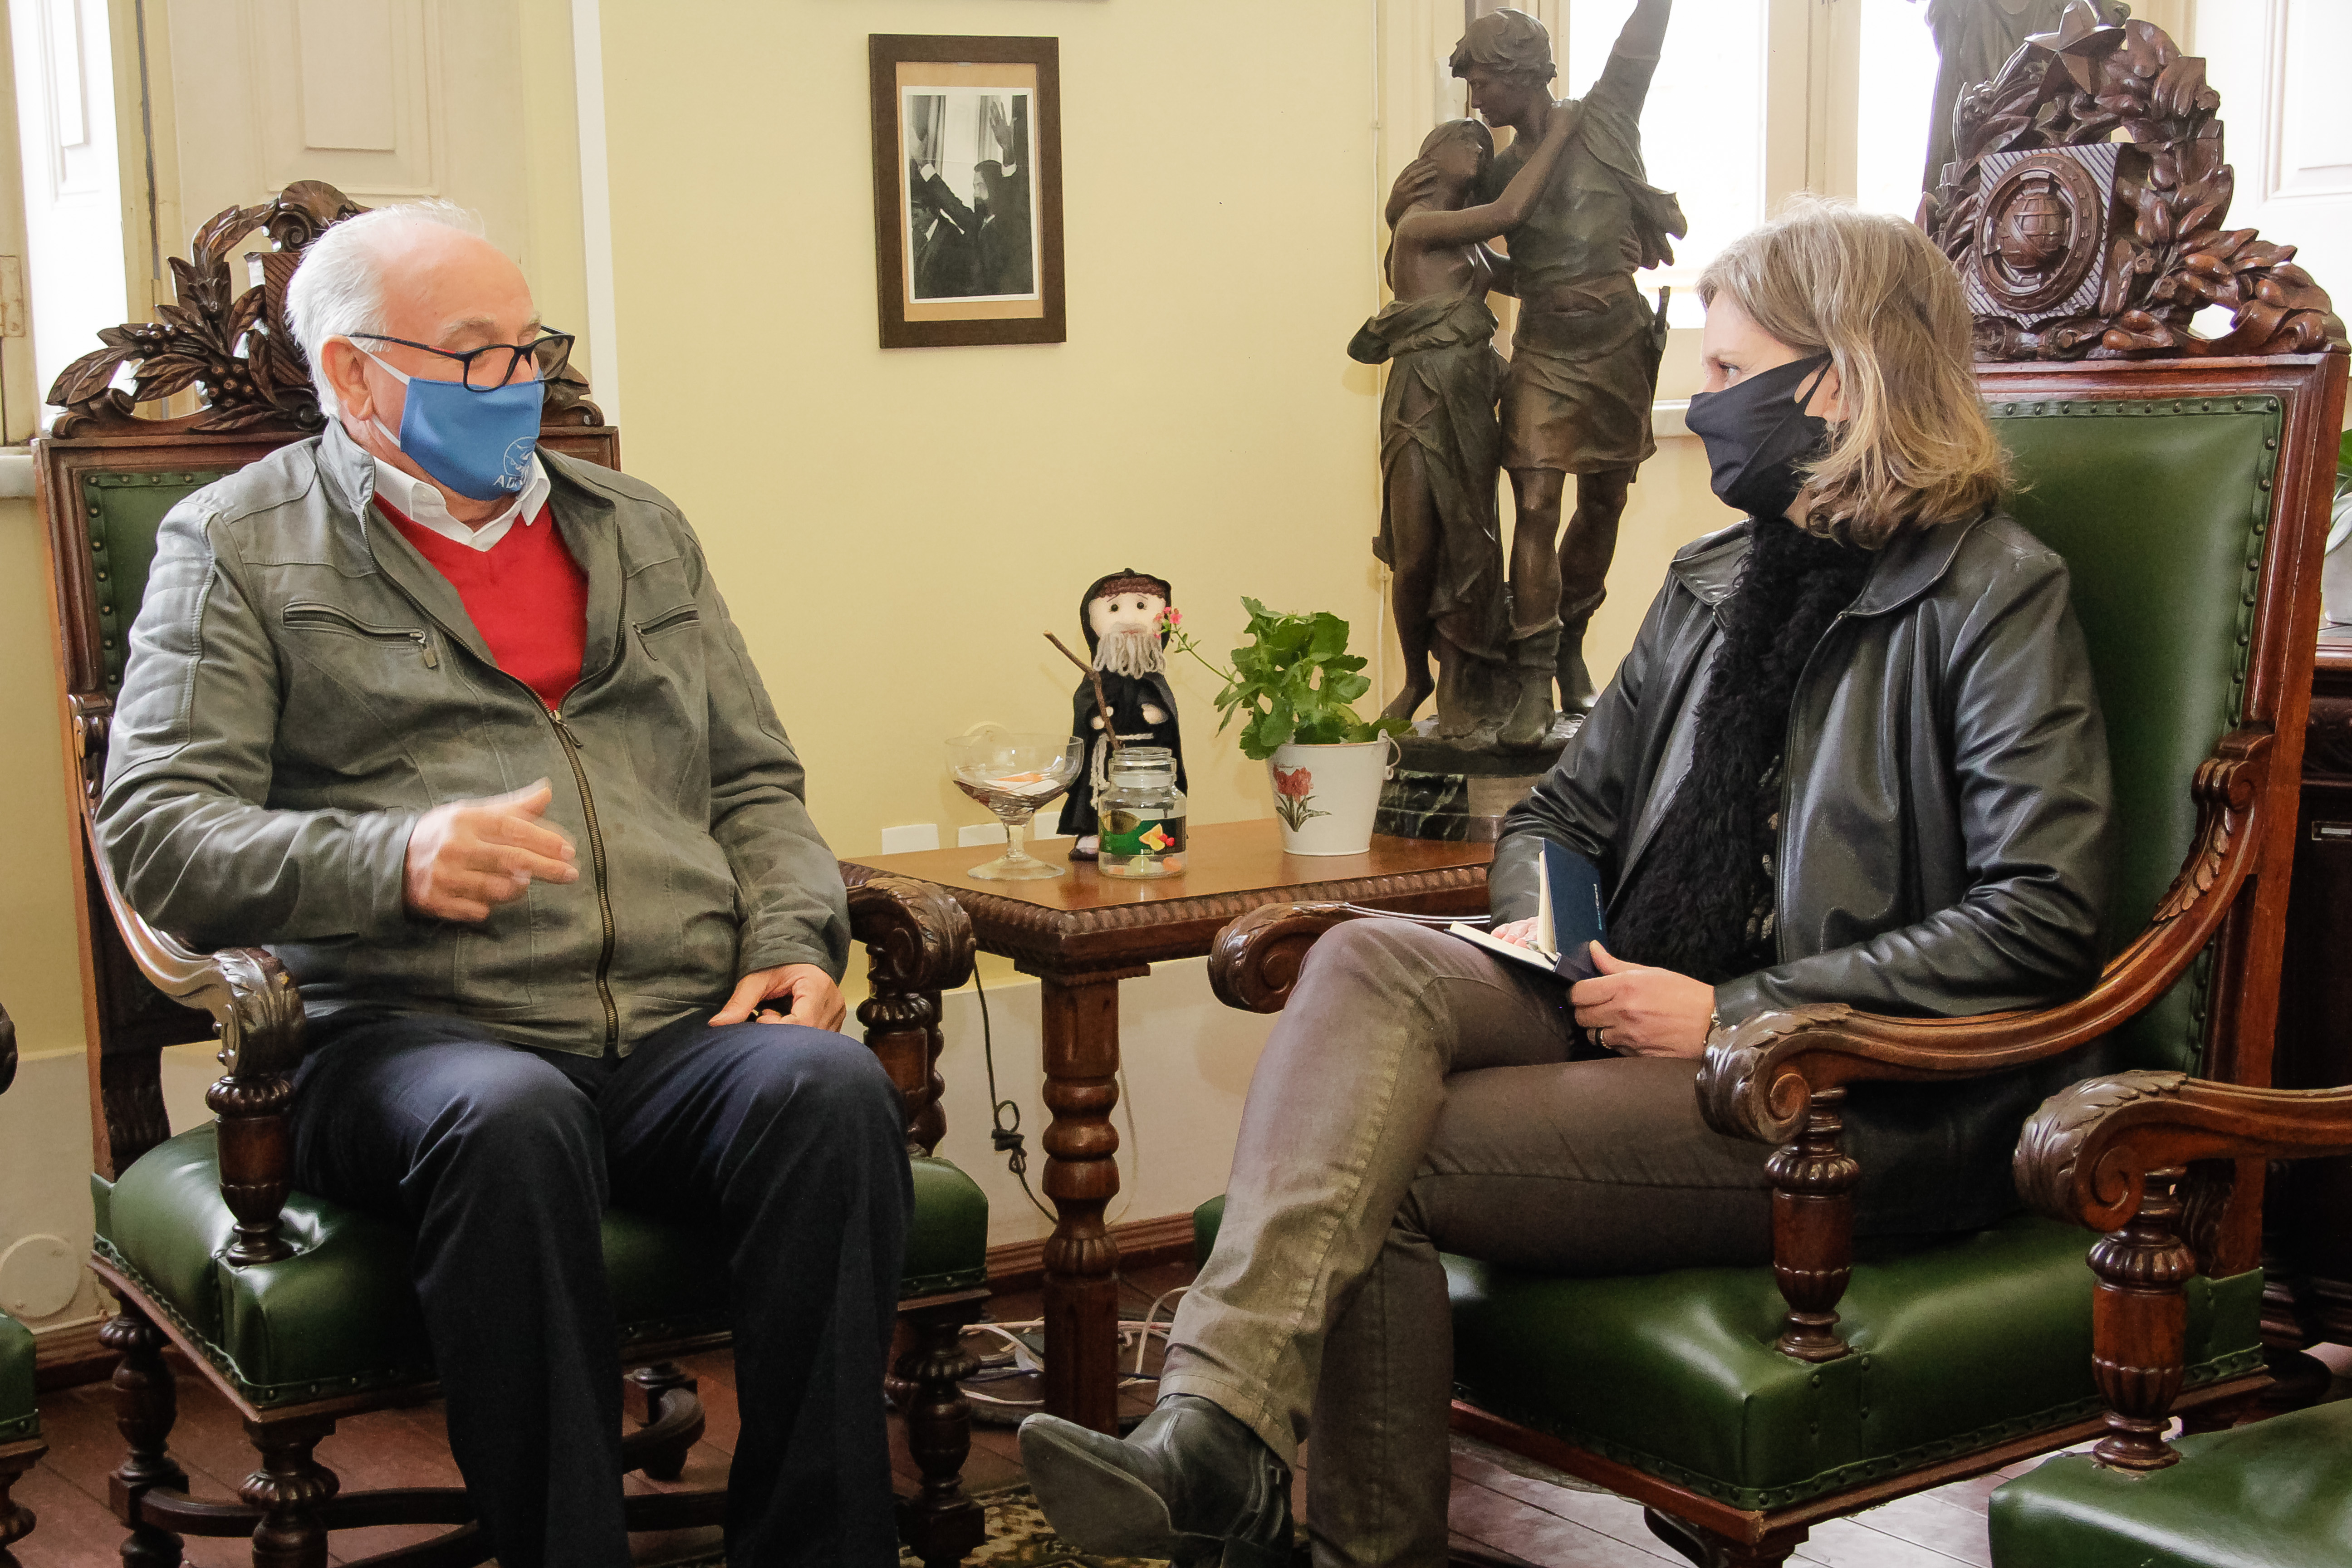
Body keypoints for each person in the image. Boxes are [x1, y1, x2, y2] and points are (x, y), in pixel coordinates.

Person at [1019, 198, 2116, 1567]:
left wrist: (1734, 1012)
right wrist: (1579, 950)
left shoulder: (1997, 595)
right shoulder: (1715, 578)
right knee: (1364, 958)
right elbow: (1563, 810)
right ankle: (1215, 1432)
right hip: (1633, 1002)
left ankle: (1267, 1491)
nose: (1702, 405)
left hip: (1849, 1097)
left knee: (1378, 1158)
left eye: (1725, 376)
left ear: (1832, 381)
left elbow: (2039, 920)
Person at [94, 201, 911, 1568]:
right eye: (476, 354)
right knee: (510, 1115)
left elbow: (756, 783)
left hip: (670, 1028)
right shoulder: (237, 547)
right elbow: (160, 837)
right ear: (354, 373)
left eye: (530, 345)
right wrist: (390, 857)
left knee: (828, 1091)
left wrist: (793, 939)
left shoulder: (639, 529)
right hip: (412, 1044)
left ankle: (820, 1548)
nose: (519, 382)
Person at [1444, 1, 1686, 740]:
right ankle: (1528, 678)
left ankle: (1572, 646)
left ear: (1521, 75)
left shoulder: (1607, 115)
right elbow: (1489, 256)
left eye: (1483, 80)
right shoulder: (1500, 170)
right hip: (1545, 349)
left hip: (1618, 343)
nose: (1476, 97)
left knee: (1604, 503)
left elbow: (1640, 38)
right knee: (1537, 507)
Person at [1357, 109, 1574, 735]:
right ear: (1429, 158)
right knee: (1416, 547)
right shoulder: (1421, 227)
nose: (1481, 145)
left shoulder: (1472, 249)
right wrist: (1556, 133)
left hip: (1474, 394)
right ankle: (1415, 675)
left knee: (1471, 542)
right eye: (1465, 139)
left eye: (1486, 140)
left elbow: (1533, 276)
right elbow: (1509, 213)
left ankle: (1459, 677)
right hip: (1421, 398)